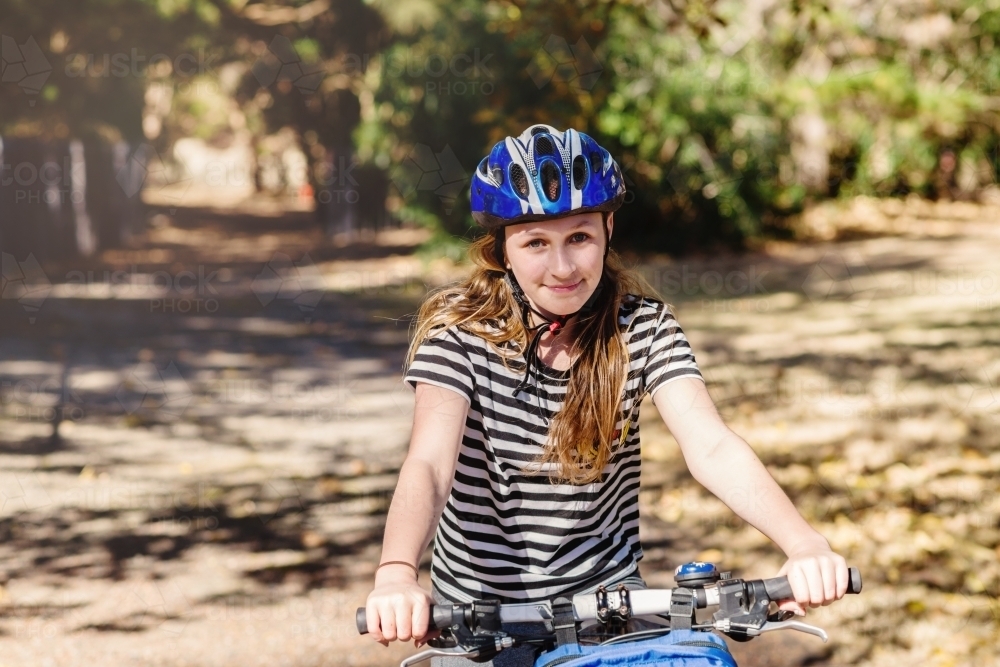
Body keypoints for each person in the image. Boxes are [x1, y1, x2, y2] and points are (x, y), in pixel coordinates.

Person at [364, 124, 849, 666]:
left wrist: (803, 544)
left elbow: (710, 445)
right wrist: (397, 573)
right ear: (501, 249)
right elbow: (430, 464)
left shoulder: (642, 328)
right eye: (535, 244)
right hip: (482, 619)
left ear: (608, 227)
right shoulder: (459, 334)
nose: (563, 267)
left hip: (608, 613)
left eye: (579, 237)